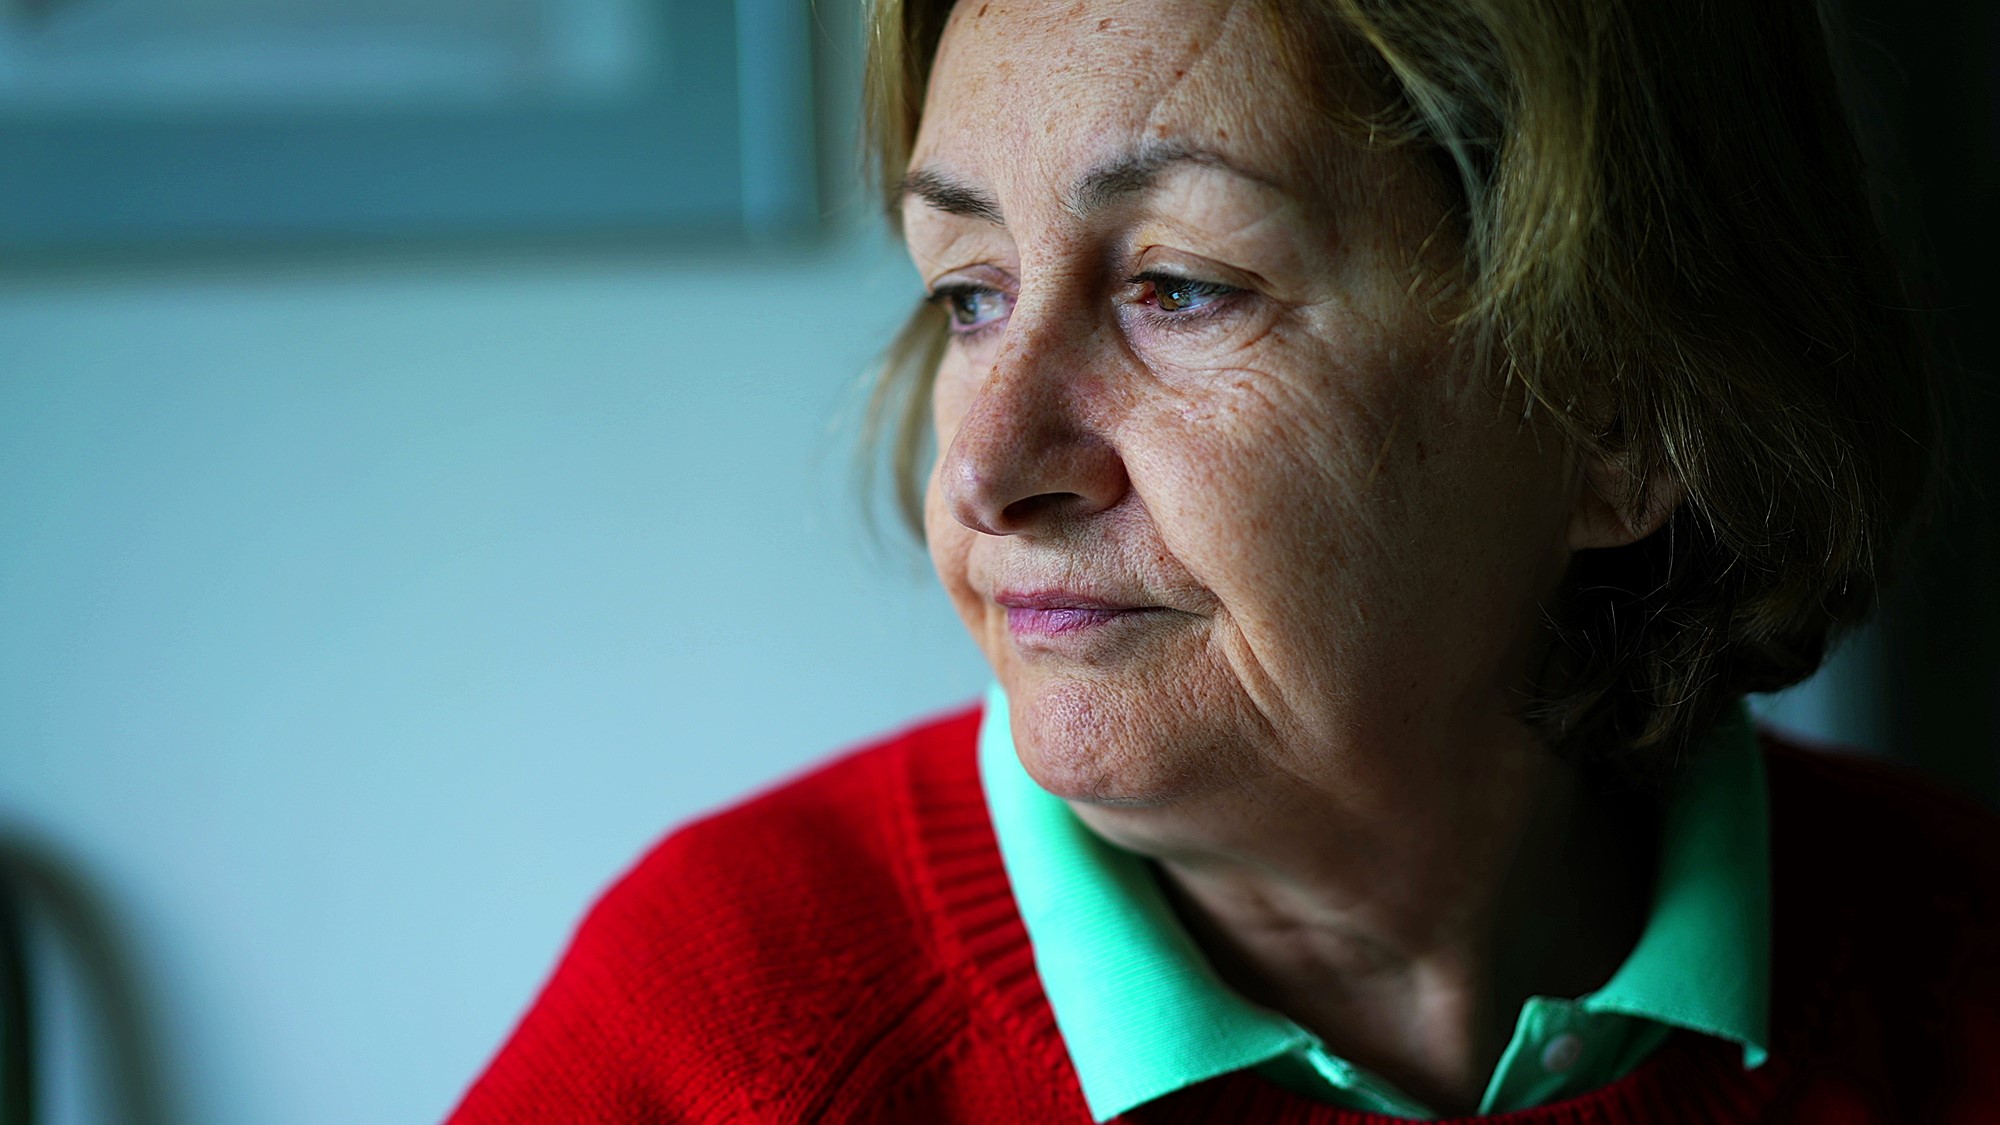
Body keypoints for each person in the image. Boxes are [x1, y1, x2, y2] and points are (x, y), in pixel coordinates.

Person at [448, 0, 2000, 1121]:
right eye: (967, 291)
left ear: (1624, 409)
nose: (983, 467)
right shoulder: (726, 1032)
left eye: (1179, 285)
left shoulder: (1958, 973)